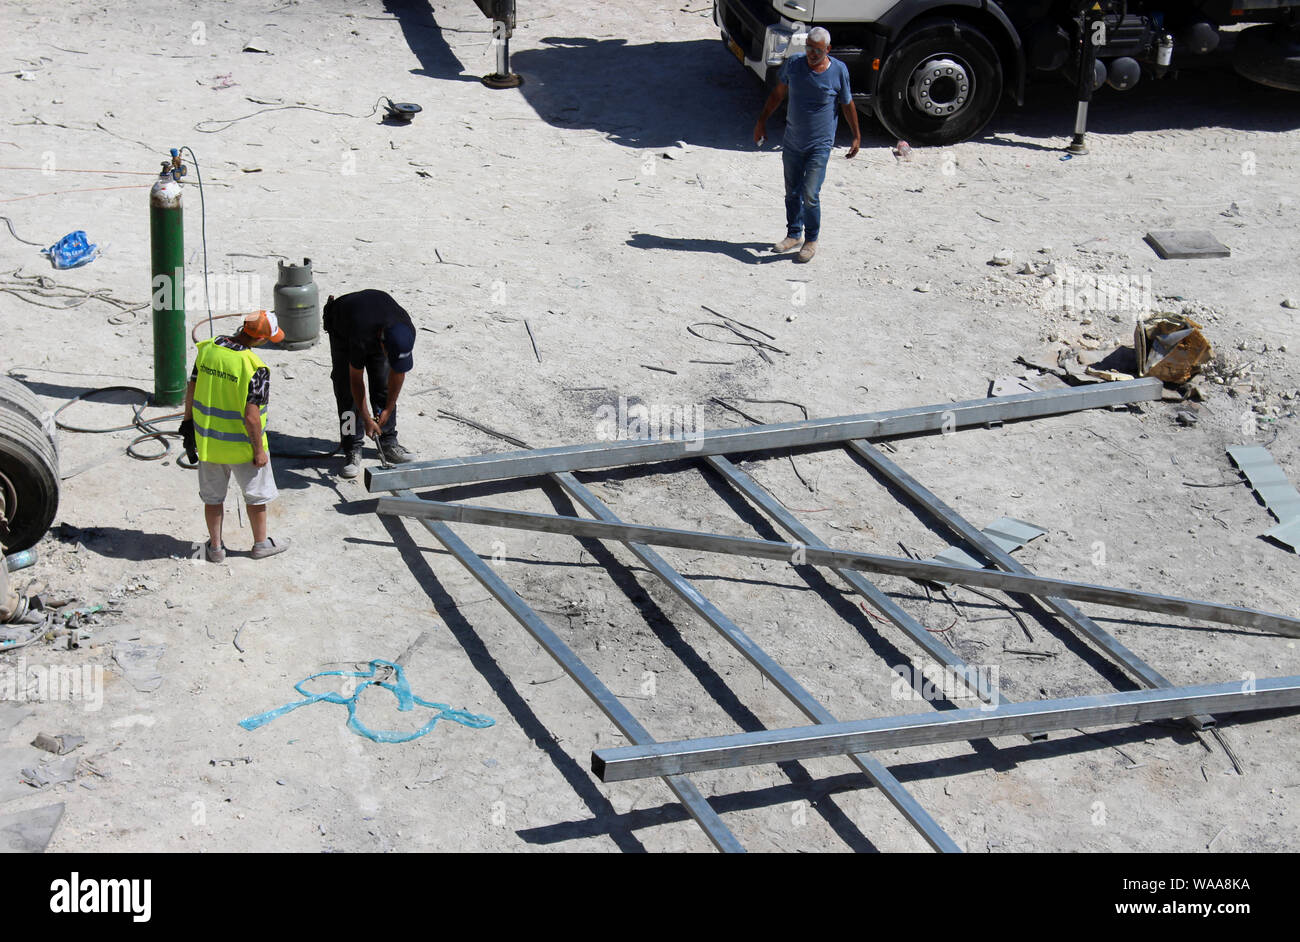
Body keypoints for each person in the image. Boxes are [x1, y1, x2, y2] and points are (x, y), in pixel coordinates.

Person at [180, 311, 290, 562]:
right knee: (255, 497)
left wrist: (187, 424)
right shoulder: (255, 368)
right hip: (243, 449)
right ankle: (261, 544)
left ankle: (216, 549)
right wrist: (259, 451)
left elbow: (192, 386)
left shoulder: (208, 349)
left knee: (213, 498)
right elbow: (251, 417)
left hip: (208, 443)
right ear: (261, 339)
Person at [752, 26, 861, 263]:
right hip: (792, 142)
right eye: (809, 48)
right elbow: (777, 94)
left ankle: (811, 239)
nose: (812, 53)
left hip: (819, 145)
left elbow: (847, 104)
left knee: (810, 193)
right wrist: (761, 122)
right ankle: (794, 234)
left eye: (817, 50)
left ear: (828, 50)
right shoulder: (794, 64)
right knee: (791, 191)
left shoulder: (838, 71)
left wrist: (856, 135)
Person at [322, 290, 418, 478]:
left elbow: (398, 374)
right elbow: (355, 381)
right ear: (383, 345)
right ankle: (351, 447)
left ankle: (388, 441)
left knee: (382, 385)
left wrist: (388, 409)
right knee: (346, 393)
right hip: (343, 327)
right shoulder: (360, 336)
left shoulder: (405, 330)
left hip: (375, 322)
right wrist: (366, 418)